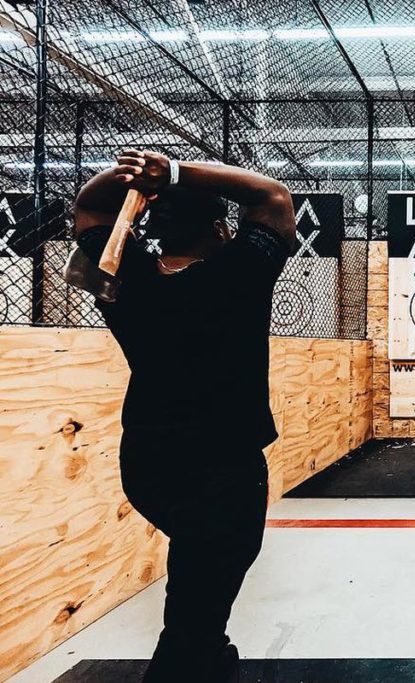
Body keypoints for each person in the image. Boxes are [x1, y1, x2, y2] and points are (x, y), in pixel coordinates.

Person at [73, 151, 296, 682]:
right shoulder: (238, 275)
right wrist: (170, 172)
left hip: (148, 466)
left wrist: (127, 177)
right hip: (222, 471)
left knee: (198, 581)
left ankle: (211, 654)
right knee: (193, 617)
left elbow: (88, 207)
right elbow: (273, 198)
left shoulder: (126, 282)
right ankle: (196, 661)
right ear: (220, 230)